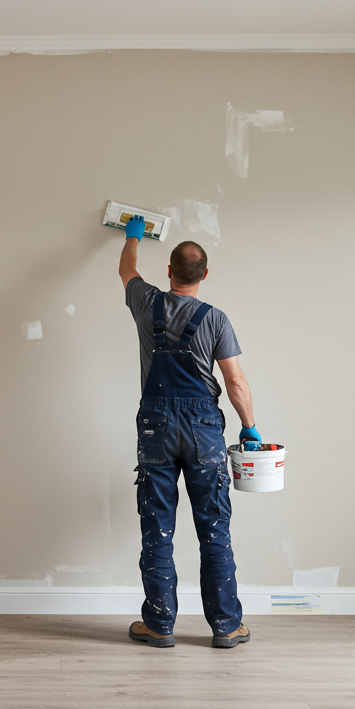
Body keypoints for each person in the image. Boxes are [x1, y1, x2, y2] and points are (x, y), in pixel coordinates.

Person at [117, 215, 260, 649]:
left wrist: (132, 237)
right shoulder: (216, 319)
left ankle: (160, 626)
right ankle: (226, 627)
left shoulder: (146, 302)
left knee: (157, 528)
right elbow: (235, 381)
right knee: (214, 529)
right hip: (204, 430)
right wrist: (250, 427)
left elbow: (126, 270)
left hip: (156, 427)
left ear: (169, 272)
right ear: (205, 274)